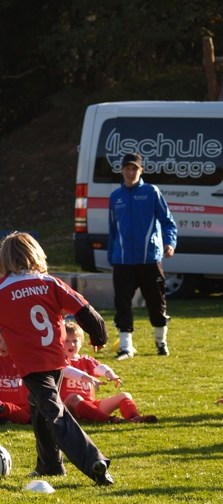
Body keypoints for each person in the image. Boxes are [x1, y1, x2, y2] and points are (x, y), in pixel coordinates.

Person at [0, 231, 115, 485]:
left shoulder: (0, 289)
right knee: (39, 407)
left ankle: (94, 461)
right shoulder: (51, 282)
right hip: (57, 359)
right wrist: (99, 336)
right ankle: (50, 466)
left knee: (53, 411)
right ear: (36, 254)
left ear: (4, 260)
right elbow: (85, 309)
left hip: (32, 365)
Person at [108, 152, 177, 359]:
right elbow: (113, 231)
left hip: (149, 259)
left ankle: (160, 342)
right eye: (127, 169)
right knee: (122, 304)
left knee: (156, 303)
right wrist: (112, 259)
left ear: (141, 171)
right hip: (122, 261)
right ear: (122, 170)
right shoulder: (115, 197)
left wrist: (169, 243)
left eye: (134, 169)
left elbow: (168, 222)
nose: (130, 173)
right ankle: (125, 347)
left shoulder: (151, 192)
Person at [61, 322, 157, 424]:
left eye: (75, 341)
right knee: (73, 397)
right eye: (67, 341)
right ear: (59, 343)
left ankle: (134, 418)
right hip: (66, 407)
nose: (71, 344)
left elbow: (99, 367)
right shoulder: (58, 360)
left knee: (124, 395)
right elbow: (67, 371)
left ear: (81, 343)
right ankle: (109, 420)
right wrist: (89, 378)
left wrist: (110, 374)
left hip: (91, 405)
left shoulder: (85, 359)